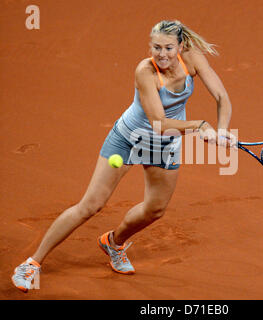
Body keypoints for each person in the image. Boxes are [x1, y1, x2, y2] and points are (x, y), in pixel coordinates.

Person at [11, 20, 237, 292]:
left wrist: (221, 130)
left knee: (155, 210)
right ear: (149, 46)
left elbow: (222, 97)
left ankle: (113, 243)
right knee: (91, 205)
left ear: (180, 46)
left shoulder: (193, 59)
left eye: (168, 48)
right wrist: (198, 126)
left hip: (164, 145)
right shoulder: (145, 71)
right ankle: (32, 263)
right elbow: (158, 122)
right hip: (129, 139)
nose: (162, 54)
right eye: (156, 47)